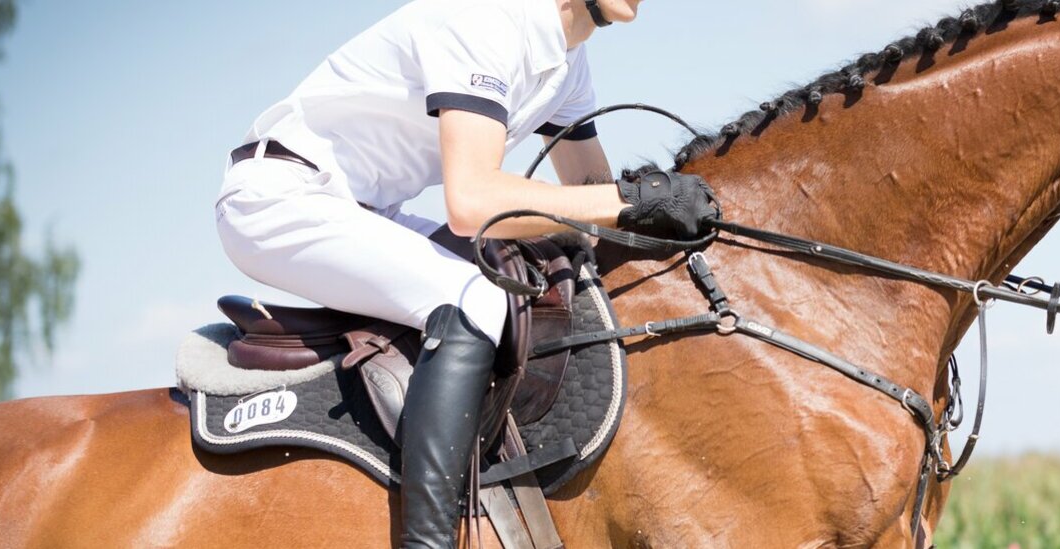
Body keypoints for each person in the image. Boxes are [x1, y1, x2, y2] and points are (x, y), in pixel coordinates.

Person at [212, 0, 715, 546]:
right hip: (282, 197)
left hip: (363, 207)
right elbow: (472, 202)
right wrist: (625, 200)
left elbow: (591, 204)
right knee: (473, 298)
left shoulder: (569, 63)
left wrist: (662, 208)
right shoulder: (488, 20)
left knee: (527, 266)